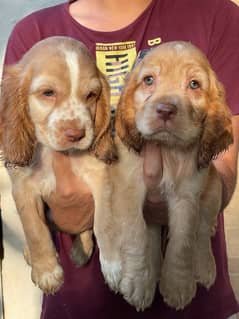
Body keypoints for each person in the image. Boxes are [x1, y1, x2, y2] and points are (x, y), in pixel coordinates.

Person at [3, 0, 239, 318]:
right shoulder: (32, 32)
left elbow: (221, 165)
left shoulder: (215, 14)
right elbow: (20, 161)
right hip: (79, 304)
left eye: (90, 96)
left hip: (195, 303)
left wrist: (184, 226)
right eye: (48, 93)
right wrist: (63, 221)